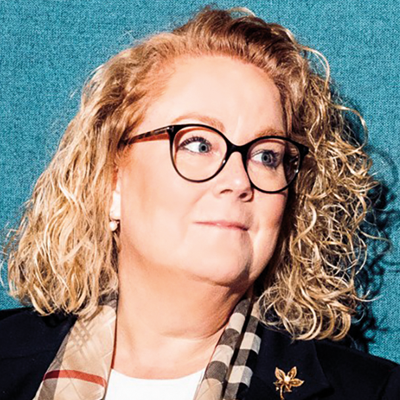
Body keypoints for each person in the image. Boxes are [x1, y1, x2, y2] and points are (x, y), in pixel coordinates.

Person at [1, 6, 399, 400]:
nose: (239, 181)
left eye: (267, 155)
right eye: (199, 144)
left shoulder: (374, 392)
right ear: (111, 183)